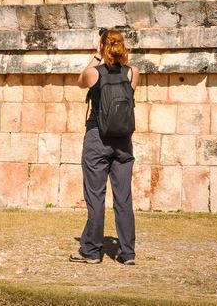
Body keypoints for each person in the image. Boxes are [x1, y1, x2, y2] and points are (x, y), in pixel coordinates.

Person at [69, 27, 138, 265]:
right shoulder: (133, 72)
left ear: (102, 46)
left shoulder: (93, 74)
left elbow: (80, 81)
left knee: (95, 196)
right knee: (123, 198)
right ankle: (127, 253)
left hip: (97, 138)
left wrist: (97, 55)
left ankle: (91, 251)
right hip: (123, 141)